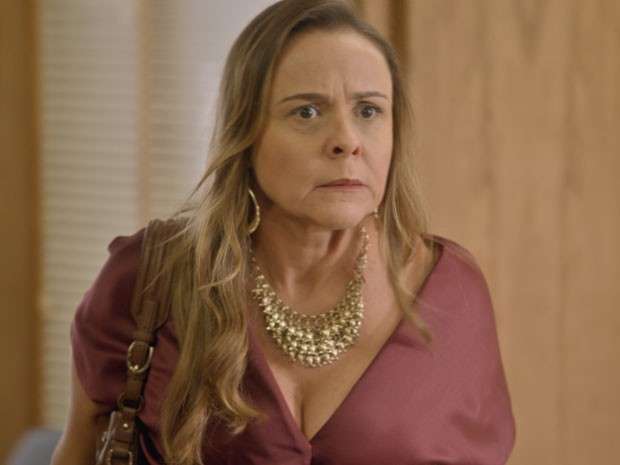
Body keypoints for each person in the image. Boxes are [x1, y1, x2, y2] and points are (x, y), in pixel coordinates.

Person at [51, 0, 516, 464]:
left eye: (369, 111)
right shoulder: (147, 277)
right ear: (246, 133)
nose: (347, 140)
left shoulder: (449, 289)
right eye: (307, 112)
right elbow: (79, 449)